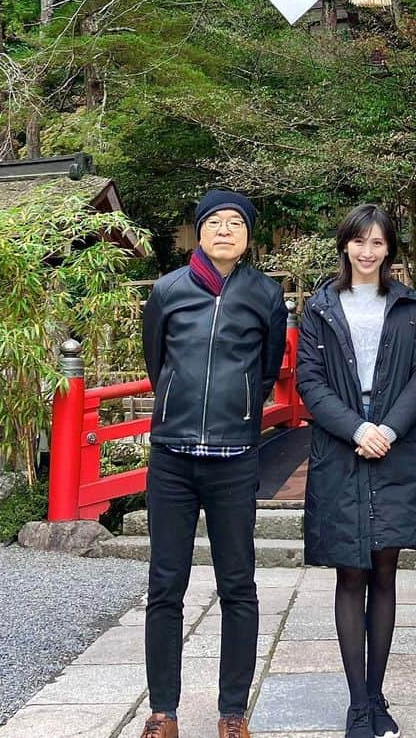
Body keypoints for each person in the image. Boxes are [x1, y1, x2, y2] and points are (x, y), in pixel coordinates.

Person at [139, 189, 287, 738]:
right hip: (173, 459)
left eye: (236, 223)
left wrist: (242, 411)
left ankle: (232, 711)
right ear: (198, 231)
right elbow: (158, 363)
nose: (225, 230)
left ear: (248, 235)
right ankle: (162, 712)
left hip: (234, 458)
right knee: (165, 583)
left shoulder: (265, 294)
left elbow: (267, 368)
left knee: (238, 583)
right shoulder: (168, 290)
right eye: (214, 222)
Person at [296, 204, 416, 738]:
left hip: (396, 448)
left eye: (378, 242)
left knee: (385, 569)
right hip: (340, 448)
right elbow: (309, 382)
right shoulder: (320, 308)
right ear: (345, 245)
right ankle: (358, 703)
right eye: (359, 241)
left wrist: (389, 429)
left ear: (389, 251)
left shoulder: (407, 305)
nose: (367, 251)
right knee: (348, 572)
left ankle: (377, 695)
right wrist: (358, 429)